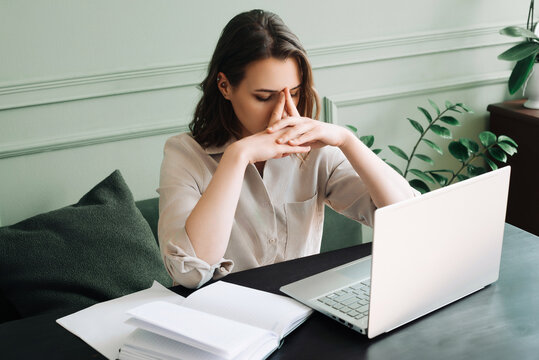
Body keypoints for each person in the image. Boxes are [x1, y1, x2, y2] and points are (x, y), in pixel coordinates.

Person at [157, 9, 417, 289]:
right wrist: (237, 157)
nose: (283, 111)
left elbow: (410, 221)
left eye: (292, 93)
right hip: (220, 323)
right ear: (224, 86)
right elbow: (189, 273)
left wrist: (346, 140)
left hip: (299, 315)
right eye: (264, 97)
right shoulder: (183, 155)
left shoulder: (313, 150)